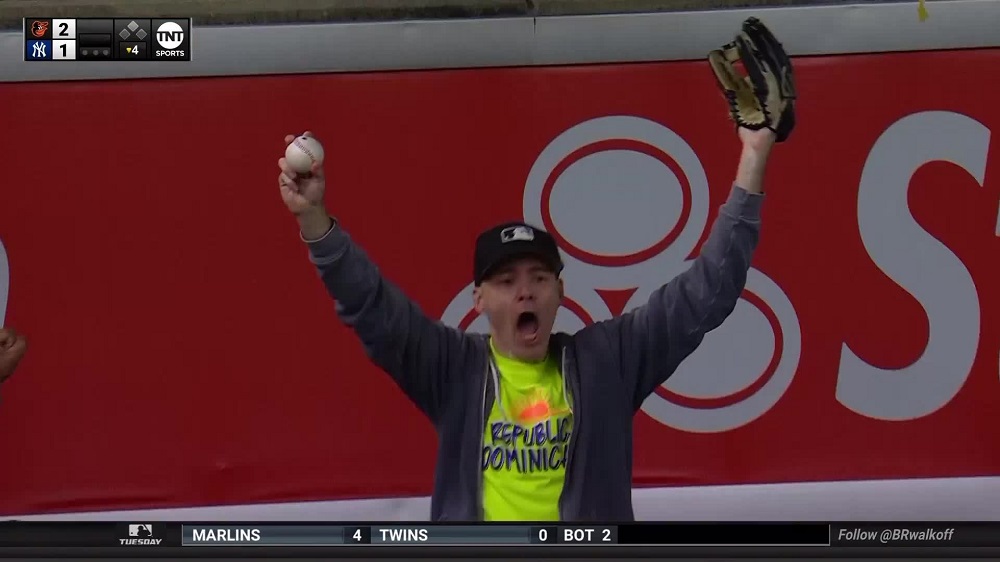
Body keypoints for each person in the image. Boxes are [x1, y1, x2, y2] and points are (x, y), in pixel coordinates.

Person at [276, 125, 776, 521]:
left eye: (539, 277)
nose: (525, 291)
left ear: (560, 292)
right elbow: (371, 306)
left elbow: (707, 292)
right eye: (506, 281)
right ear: (478, 299)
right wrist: (314, 220)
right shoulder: (452, 369)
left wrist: (753, 155)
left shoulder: (609, 362)